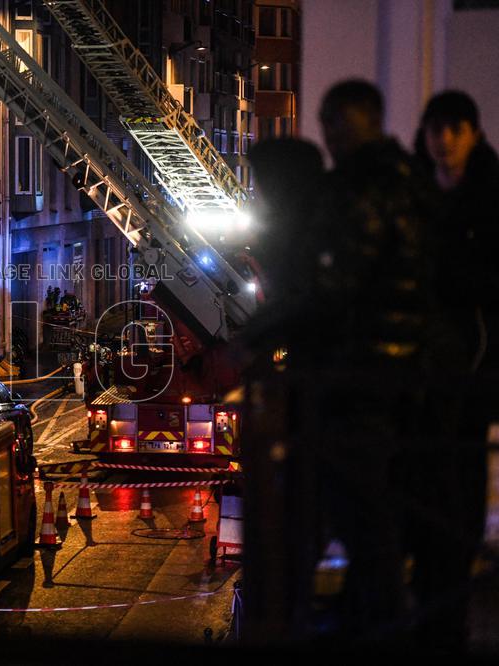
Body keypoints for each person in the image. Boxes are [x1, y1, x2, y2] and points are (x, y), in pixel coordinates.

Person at [310, 80, 452, 643]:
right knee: (379, 507)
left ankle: (376, 620)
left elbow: (342, 285)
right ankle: (377, 613)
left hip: (363, 373)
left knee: (359, 507)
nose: (326, 136)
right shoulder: (411, 181)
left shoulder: (360, 189)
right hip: (406, 371)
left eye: (330, 123)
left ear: (351, 123)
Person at [411, 90, 499, 649]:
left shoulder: (491, 194)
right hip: (422, 368)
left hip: (473, 362)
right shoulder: (415, 193)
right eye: (435, 128)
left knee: (461, 477)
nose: (443, 140)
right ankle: (432, 600)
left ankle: (449, 605)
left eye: (454, 128)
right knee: (423, 481)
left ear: (473, 133)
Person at [241, 138, 327, 642]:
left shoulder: (301, 237)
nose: (258, 196)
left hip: (321, 399)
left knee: (307, 519)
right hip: (316, 396)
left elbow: (298, 303)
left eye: (263, 185)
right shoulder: (306, 230)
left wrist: (250, 342)